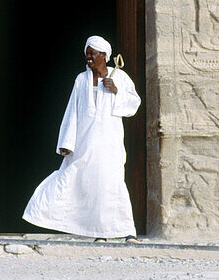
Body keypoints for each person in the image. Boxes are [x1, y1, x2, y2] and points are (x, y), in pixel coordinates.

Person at [23, 34, 141, 240]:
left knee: (112, 184)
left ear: (103, 55)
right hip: (84, 143)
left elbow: (134, 104)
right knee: (79, 181)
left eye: (92, 53)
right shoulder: (81, 80)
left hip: (109, 143)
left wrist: (116, 91)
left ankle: (127, 231)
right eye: (86, 53)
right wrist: (66, 143)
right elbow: (72, 113)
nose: (88, 57)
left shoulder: (120, 77)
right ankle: (97, 232)